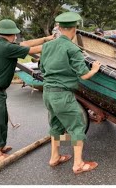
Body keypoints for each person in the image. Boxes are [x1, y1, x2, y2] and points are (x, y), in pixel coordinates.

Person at [40, 12, 101, 174]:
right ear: (75, 29)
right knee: (77, 127)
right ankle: (78, 164)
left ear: (59, 28)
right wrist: (94, 68)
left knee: (56, 125)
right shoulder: (72, 48)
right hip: (62, 96)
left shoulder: (47, 46)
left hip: (48, 94)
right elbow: (84, 75)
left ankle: (54, 157)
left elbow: (42, 69)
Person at [0, 19, 54, 162]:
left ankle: (0, 146)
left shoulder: (2, 44)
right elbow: (33, 50)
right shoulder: (7, 48)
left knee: (2, 118)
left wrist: (46, 39)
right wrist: (56, 43)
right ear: (13, 34)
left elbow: (26, 44)